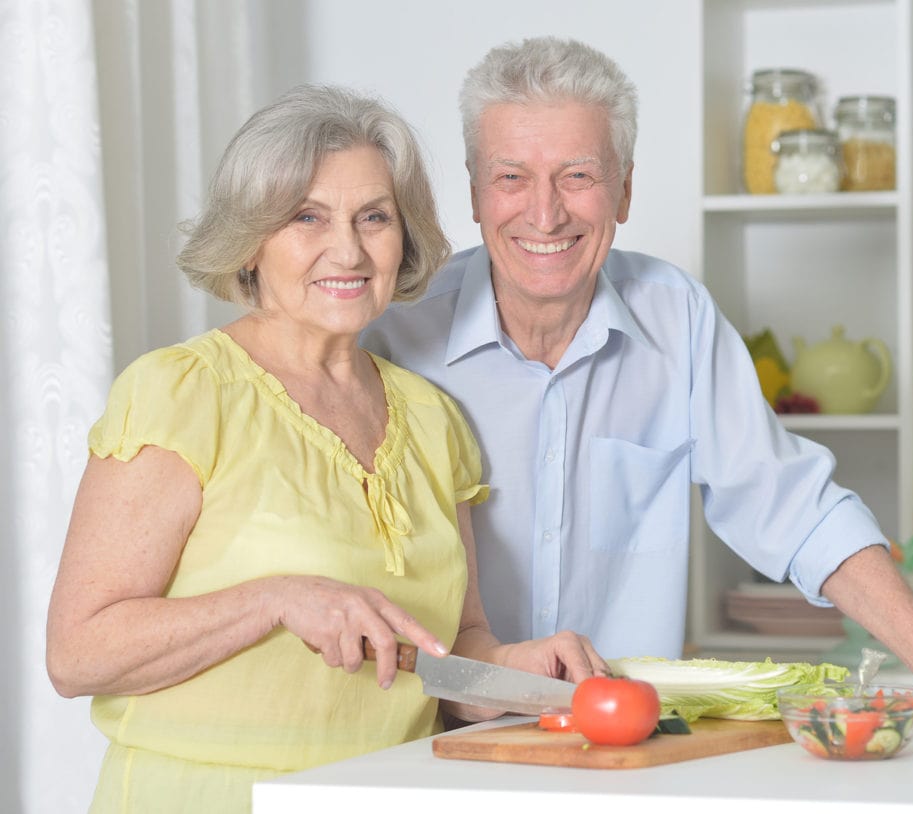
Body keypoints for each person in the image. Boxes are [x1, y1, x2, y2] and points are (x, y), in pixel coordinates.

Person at [45, 83, 605, 814]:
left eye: (374, 217)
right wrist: (275, 599)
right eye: (307, 217)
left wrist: (511, 667)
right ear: (251, 239)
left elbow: (449, 650)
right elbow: (77, 653)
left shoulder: (433, 420)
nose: (348, 248)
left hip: (389, 794)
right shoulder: (181, 393)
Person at [361, 37, 913, 699]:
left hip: (630, 744)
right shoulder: (394, 336)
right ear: (474, 194)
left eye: (578, 175)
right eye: (512, 177)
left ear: (625, 189)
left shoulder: (678, 319)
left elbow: (797, 511)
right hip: (439, 736)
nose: (545, 212)